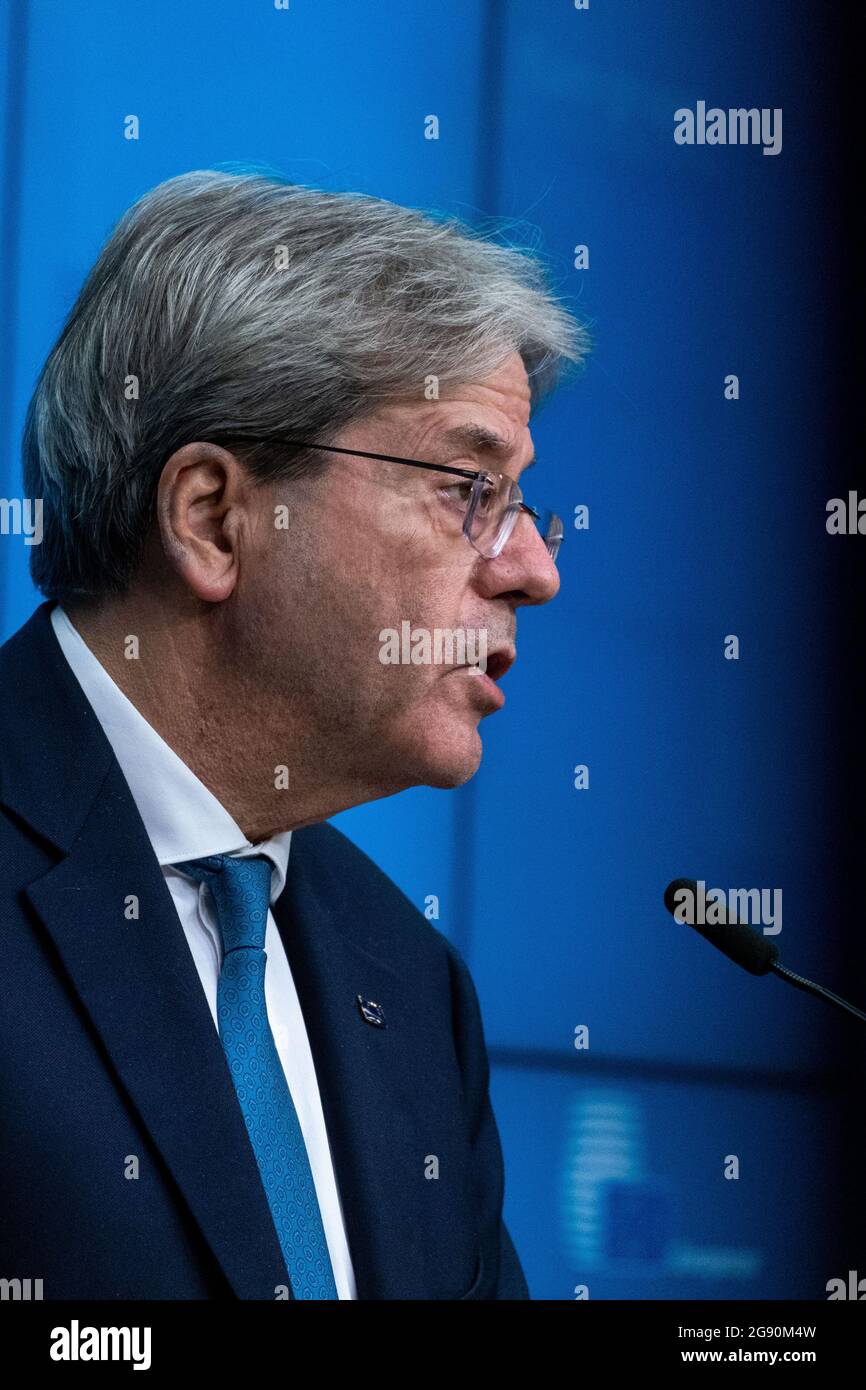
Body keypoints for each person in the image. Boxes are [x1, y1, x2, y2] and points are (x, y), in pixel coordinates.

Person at [0, 169, 589, 1299]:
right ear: (216, 518)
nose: (533, 569)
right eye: (469, 486)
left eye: (523, 502)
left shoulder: (409, 983)